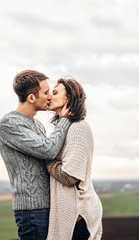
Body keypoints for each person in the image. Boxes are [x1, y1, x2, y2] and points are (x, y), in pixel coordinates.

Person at [0, 70, 71, 240]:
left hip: (48, 206)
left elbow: (50, 150)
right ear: (31, 98)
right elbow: (49, 150)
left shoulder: (38, 125)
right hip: (32, 211)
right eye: (46, 93)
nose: (50, 97)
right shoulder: (9, 124)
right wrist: (66, 119)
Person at [46, 78, 103, 240]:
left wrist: (46, 158)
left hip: (79, 214)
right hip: (70, 213)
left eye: (55, 92)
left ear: (69, 98)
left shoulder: (79, 127)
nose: (50, 96)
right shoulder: (64, 128)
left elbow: (68, 176)